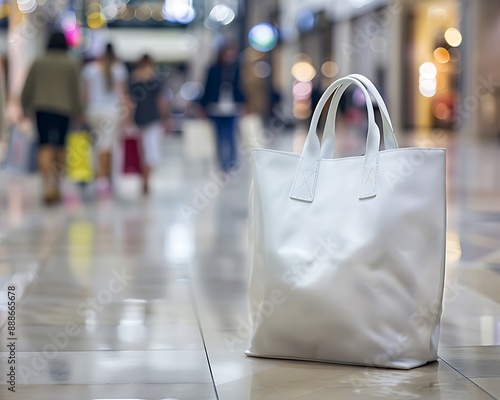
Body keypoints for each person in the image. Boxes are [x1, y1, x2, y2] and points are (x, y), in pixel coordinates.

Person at [21, 32, 83, 204]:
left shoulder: (38, 62)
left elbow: (28, 86)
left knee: (45, 145)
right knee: (60, 147)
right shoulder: (71, 63)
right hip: (64, 109)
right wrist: (79, 111)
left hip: (42, 108)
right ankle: (57, 186)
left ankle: (46, 186)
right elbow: (76, 90)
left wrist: (24, 106)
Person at [82, 43, 129, 197]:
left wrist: (82, 112)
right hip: (111, 112)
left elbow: (86, 94)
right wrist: (127, 114)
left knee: (97, 145)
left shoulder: (90, 69)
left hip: (93, 111)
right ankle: (103, 180)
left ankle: (101, 176)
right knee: (107, 146)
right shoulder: (119, 69)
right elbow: (122, 95)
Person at [199, 43, 245, 172]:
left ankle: (232, 165)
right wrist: (202, 107)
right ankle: (222, 166)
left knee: (231, 137)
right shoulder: (213, 69)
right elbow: (207, 88)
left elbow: (241, 88)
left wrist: (243, 105)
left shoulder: (237, 69)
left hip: (232, 109)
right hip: (215, 109)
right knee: (219, 138)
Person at [130, 54, 170, 195]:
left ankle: (144, 178)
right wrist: (167, 117)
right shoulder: (155, 79)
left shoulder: (134, 78)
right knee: (152, 153)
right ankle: (145, 179)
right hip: (153, 119)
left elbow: (130, 101)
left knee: (142, 152)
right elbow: (161, 101)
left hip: (137, 119)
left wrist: (128, 119)